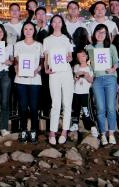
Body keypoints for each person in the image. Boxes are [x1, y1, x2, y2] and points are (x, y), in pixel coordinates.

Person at [43, 15, 74, 145]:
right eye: (54, 22)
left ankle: (64, 131)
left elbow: (70, 57)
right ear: (51, 24)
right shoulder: (47, 40)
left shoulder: (67, 39)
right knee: (55, 103)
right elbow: (46, 58)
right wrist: (46, 69)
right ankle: (52, 132)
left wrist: (69, 58)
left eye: (59, 22)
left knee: (67, 103)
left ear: (62, 24)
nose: (56, 24)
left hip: (66, 72)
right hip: (54, 73)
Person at [86, 24, 119, 146]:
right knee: (100, 108)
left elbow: (116, 62)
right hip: (97, 80)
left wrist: (113, 68)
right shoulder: (89, 47)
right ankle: (102, 133)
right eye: (98, 32)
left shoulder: (111, 47)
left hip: (110, 78)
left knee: (111, 107)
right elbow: (88, 64)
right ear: (94, 33)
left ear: (107, 35)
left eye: (103, 32)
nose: (100, 34)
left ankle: (111, 133)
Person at [13, 22, 43, 144]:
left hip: (35, 79)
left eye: (31, 29)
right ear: (23, 31)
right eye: (26, 29)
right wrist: (17, 69)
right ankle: (23, 130)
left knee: (34, 107)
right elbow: (16, 61)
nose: (28, 31)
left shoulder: (39, 45)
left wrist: (38, 69)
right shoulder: (18, 45)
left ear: (34, 31)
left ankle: (34, 130)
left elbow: (43, 61)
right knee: (23, 106)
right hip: (20, 79)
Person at [70, 48, 98, 137]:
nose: (81, 58)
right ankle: (75, 124)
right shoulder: (76, 67)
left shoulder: (90, 67)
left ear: (86, 56)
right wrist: (76, 76)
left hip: (86, 92)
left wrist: (87, 75)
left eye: (82, 56)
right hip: (76, 92)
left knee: (87, 110)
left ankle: (93, 126)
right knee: (75, 109)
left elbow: (91, 80)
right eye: (79, 57)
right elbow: (73, 79)